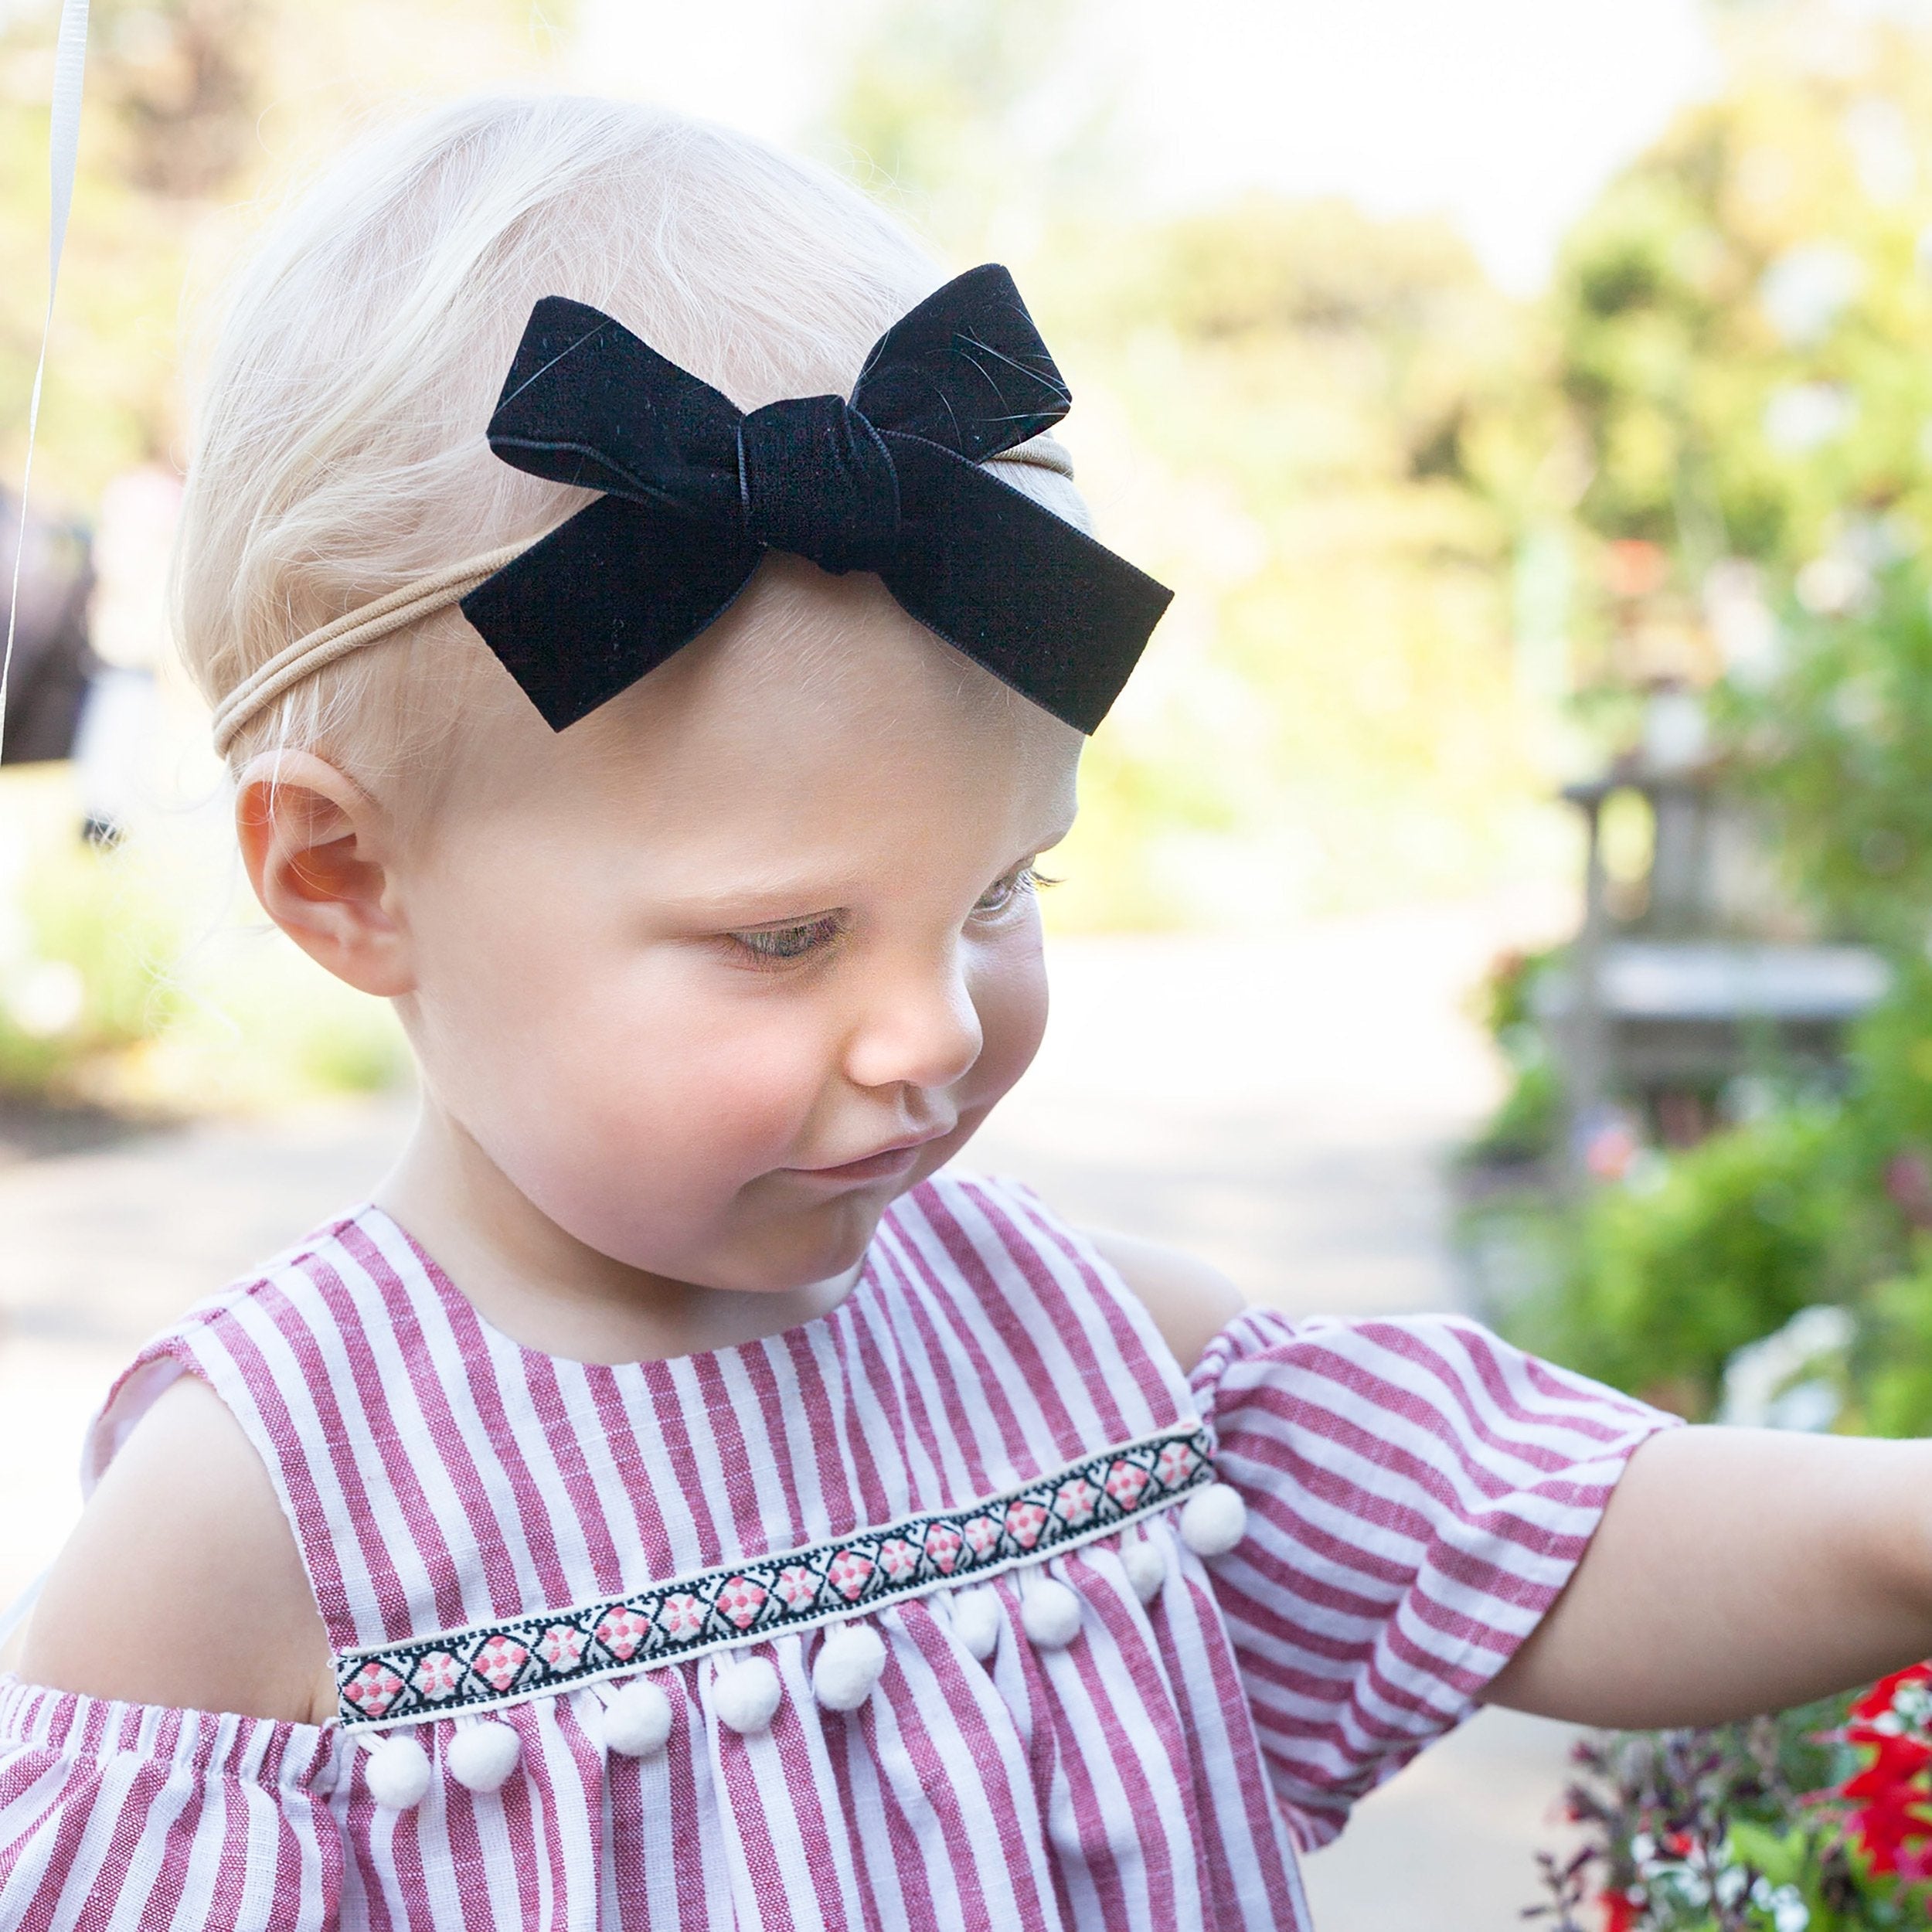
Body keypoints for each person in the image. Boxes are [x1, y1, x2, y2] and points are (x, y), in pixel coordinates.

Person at [2, 94, 1930, 1932]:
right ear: (348, 875)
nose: (929, 1030)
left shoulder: (1085, 1361)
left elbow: (1582, 1539)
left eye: (1003, 887)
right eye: (784, 936)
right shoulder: (247, 1542)